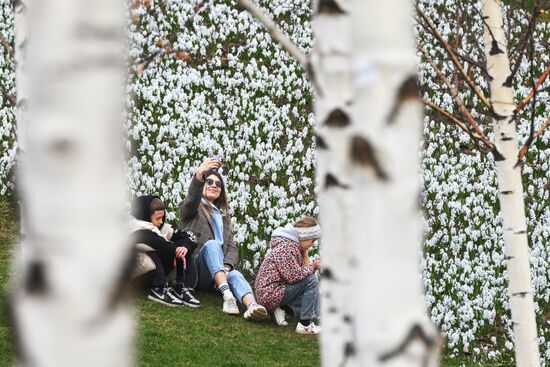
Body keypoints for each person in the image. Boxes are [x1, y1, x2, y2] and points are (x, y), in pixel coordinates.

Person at [178, 157, 268, 320]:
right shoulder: (192, 210)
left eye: (218, 184)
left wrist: (226, 267)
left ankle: (252, 306)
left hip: (217, 274)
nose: (214, 185)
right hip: (197, 269)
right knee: (212, 245)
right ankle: (228, 297)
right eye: (209, 181)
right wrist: (199, 175)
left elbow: (232, 248)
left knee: (235, 275)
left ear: (221, 191)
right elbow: (191, 199)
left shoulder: (223, 218)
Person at [255, 217, 322, 334]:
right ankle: (304, 325)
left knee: (312, 292)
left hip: (274, 291)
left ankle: (283, 310)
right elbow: (293, 277)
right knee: (312, 281)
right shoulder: (286, 248)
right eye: (312, 240)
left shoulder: (290, 246)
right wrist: (312, 267)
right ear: (304, 236)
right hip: (270, 293)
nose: (312, 245)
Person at [131, 195, 201, 308]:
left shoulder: (161, 227)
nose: (161, 222)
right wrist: (175, 249)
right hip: (134, 279)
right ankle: (158, 289)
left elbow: (189, 235)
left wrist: (185, 247)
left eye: (162, 218)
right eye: (157, 218)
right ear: (145, 216)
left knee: (183, 247)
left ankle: (183, 287)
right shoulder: (134, 229)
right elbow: (155, 241)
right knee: (149, 249)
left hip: (150, 274)